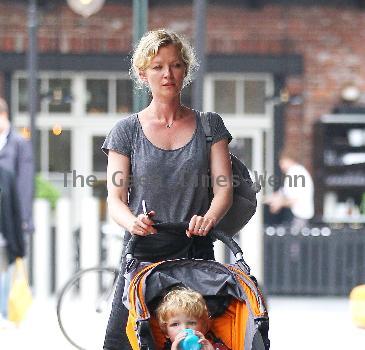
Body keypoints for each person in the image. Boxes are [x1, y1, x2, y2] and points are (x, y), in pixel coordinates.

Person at [102, 29, 233, 349]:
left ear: (185, 70)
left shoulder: (209, 125)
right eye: (158, 66)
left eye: (174, 65)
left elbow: (224, 188)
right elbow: (115, 199)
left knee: (198, 340)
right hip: (143, 253)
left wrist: (209, 218)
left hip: (195, 250)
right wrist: (132, 221)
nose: (167, 73)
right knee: (126, 339)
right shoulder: (126, 131)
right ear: (142, 73)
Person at [0, 97, 33, 325]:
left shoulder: (19, 143)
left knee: (6, 266)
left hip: (9, 215)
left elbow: (25, 183)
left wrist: (23, 218)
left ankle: (4, 312)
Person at [156, 288, 230, 350]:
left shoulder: (213, 346)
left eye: (192, 323)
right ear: (166, 332)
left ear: (204, 328)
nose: (184, 329)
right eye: (175, 324)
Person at [264, 148, 314, 232]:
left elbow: (293, 199)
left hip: (298, 217)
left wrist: (279, 203)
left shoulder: (295, 172)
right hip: (299, 217)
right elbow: (283, 193)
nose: (280, 165)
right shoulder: (298, 171)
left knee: (293, 243)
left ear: (289, 160)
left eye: (282, 161)